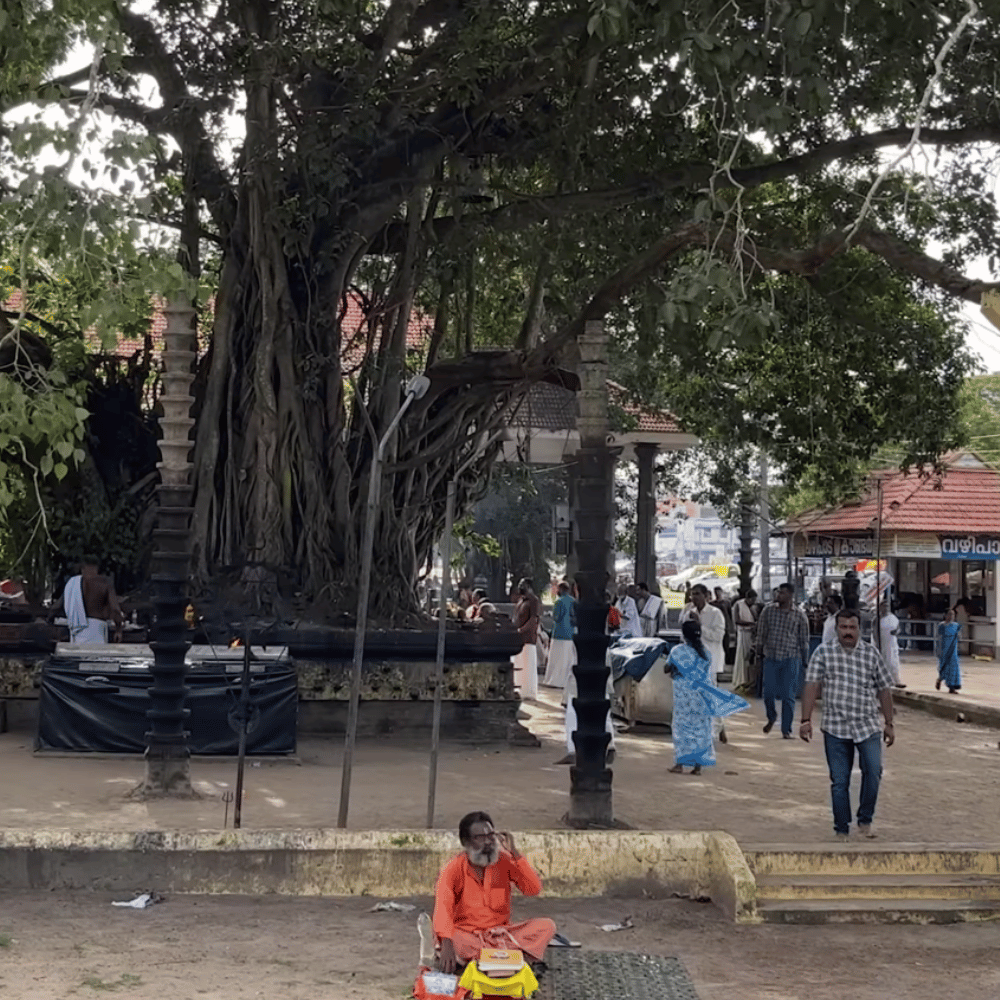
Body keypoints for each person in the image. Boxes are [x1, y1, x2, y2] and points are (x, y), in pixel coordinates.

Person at [800, 608, 896, 841]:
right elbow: (812, 685)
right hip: (835, 726)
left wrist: (889, 722)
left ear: (859, 629)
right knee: (839, 780)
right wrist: (805, 720)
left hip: (867, 725)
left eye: (852, 628)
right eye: (843, 627)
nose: (848, 632)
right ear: (836, 629)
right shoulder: (823, 653)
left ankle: (865, 820)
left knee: (874, 772)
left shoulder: (871, 654)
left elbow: (884, 688)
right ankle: (841, 827)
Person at [433, 811, 556, 975]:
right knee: (453, 940)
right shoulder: (452, 868)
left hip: (501, 936)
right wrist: (447, 942)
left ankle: (485, 962)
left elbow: (533, 889)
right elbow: (443, 907)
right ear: (466, 842)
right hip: (469, 937)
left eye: (491, 835)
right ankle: (509, 961)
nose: (488, 842)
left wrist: (516, 854)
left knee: (546, 926)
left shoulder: (504, 860)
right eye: (480, 837)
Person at [666, 620, 750, 775]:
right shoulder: (706, 653)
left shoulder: (677, 651)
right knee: (701, 729)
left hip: (683, 698)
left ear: (684, 635)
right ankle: (698, 766)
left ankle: (679, 764)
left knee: (682, 728)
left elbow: (667, 668)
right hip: (701, 697)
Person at [755, 582, 809, 739]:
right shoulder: (768, 611)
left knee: (788, 695)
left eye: (782, 593)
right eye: (778, 592)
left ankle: (786, 729)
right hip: (771, 656)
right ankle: (771, 716)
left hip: (791, 658)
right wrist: (758, 655)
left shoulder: (799, 615)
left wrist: (805, 661)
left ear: (791, 596)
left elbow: (803, 639)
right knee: (768, 693)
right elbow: (761, 633)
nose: (778, 596)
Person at [680, 584, 728, 743]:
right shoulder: (688, 613)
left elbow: (717, 636)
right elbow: (684, 635)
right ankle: (717, 726)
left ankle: (713, 732)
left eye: (698, 594)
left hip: (710, 660)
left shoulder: (715, 613)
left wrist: (700, 625)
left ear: (706, 595)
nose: (694, 597)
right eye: (692, 594)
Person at [62, 557, 123, 644]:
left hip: (77, 628)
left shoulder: (73, 583)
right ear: (97, 568)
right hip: (97, 627)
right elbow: (115, 609)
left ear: (83, 568)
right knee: (96, 656)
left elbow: (56, 607)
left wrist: (49, 619)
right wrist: (118, 630)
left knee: (77, 656)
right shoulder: (105, 583)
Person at [510, 579, 541, 701]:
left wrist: (522, 630)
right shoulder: (521, 600)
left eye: (523, 585)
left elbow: (534, 620)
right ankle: (519, 689)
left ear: (529, 586)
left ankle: (529, 692)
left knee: (528, 665)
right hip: (518, 637)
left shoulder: (533, 601)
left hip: (528, 637)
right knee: (518, 664)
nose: (520, 586)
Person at [542, 582, 576, 689]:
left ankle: (554, 680)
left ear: (560, 590)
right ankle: (566, 681)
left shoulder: (558, 602)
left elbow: (557, 617)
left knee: (556, 658)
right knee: (568, 658)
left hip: (559, 633)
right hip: (570, 633)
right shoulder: (573, 601)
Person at [731, 588, 757, 695]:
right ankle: (741, 680)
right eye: (752, 600)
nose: (754, 602)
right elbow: (737, 620)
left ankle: (749, 681)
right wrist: (750, 624)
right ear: (748, 598)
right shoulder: (738, 605)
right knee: (742, 657)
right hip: (742, 634)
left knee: (749, 658)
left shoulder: (753, 607)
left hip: (751, 635)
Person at [878, 600, 905, 689]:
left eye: (887, 606)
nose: (885, 608)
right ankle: (883, 680)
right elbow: (874, 632)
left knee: (893, 661)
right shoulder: (877, 619)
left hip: (892, 642)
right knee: (882, 662)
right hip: (882, 642)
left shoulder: (893, 618)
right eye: (883, 606)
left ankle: (896, 680)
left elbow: (898, 629)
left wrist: (896, 632)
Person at [936, 608, 962, 694]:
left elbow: (959, 636)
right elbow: (938, 638)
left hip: (953, 649)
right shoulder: (942, 626)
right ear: (945, 615)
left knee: (953, 667)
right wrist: (939, 651)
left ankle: (952, 687)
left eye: (953, 615)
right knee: (944, 666)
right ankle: (940, 679)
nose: (951, 616)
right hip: (944, 649)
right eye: (949, 614)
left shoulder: (956, 625)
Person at [712, 586, 736, 663]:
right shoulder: (712, 604)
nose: (717, 594)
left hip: (725, 626)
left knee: (726, 644)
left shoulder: (726, 602)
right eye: (716, 592)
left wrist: (732, 626)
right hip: (715, 626)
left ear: (721, 592)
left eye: (718, 592)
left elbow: (730, 615)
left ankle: (725, 660)